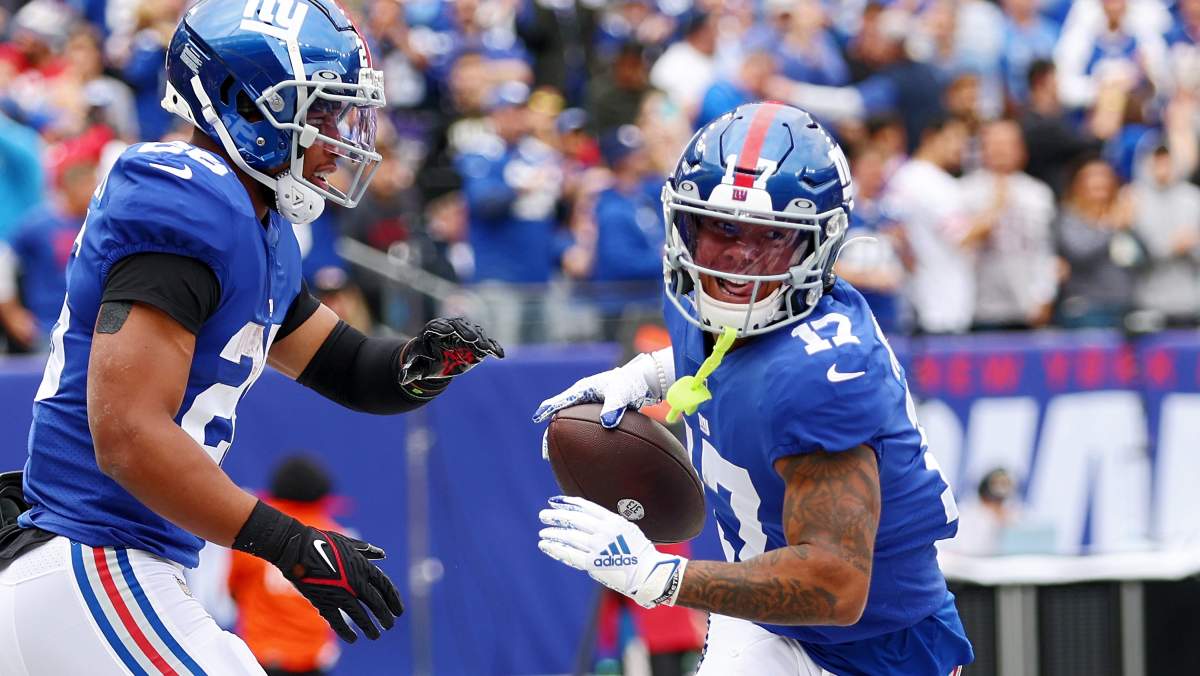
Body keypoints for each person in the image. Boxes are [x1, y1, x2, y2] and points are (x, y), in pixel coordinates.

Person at [0, 2, 503, 673]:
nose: (339, 137)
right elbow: (125, 433)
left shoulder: (253, 223)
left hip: (112, 565)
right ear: (247, 103)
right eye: (323, 112)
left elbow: (347, 366)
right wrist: (289, 542)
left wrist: (419, 363)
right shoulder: (187, 200)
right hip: (95, 554)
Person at [533, 102, 972, 675]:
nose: (740, 256)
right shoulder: (699, 301)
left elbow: (836, 584)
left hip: (875, 649)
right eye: (722, 227)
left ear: (819, 244)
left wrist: (659, 575)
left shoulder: (824, 374)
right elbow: (736, 361)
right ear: (685, 224)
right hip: (767, 619)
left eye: (773, 235)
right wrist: (648, 374)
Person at [227, 456, 344, 676]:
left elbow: (233, 590)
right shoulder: (334, 538)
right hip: (312, 660)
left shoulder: (254, 532)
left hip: (262, 658)